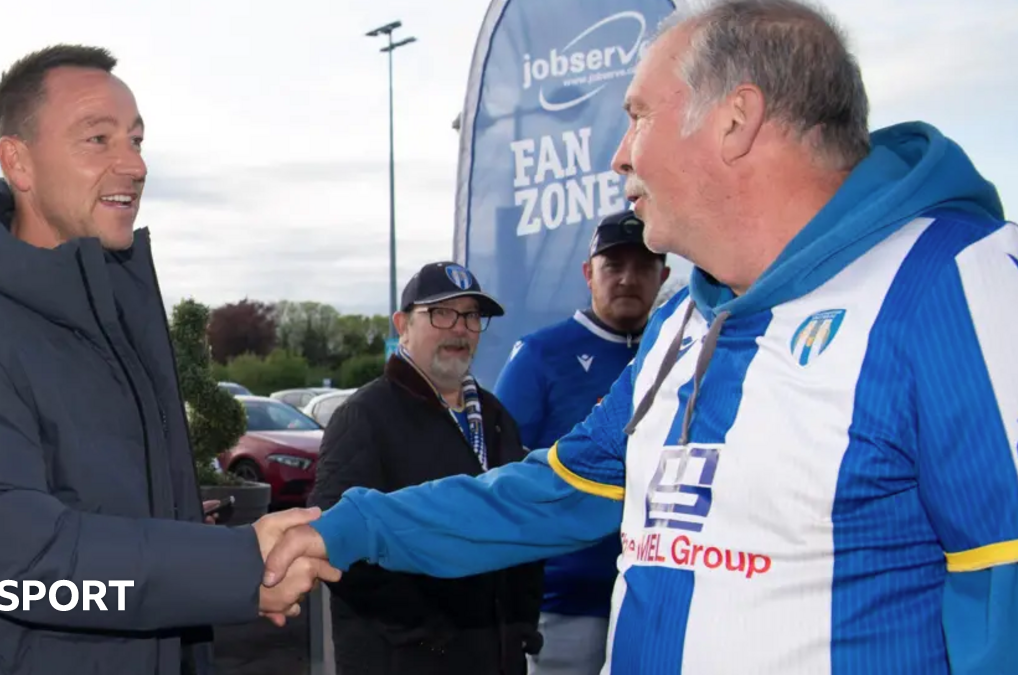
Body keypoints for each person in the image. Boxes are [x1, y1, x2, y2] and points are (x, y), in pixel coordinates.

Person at [263, 1, 1018, 673]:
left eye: (640, 116)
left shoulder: (960, 283)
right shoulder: (681, 321)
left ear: (735, 119)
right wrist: (350, 527)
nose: (620, 154)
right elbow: (557, 492)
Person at [0, 44, 338, 675]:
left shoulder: (111, 320)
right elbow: (18, 558)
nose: (134, 165)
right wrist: (238, 566)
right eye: (98, 139)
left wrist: (203, 553)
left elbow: (99, 508)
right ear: (18, 161)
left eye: (136, 140)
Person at [307, 261, 544, 675]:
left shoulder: (497, 418)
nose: (460, 329)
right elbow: (335, 538)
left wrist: (521, 623)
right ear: (403, 325)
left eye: (471, 316)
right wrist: (426, 633)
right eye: (441, 313)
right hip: (406, 660)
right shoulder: (364, 416)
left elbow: (524, 523)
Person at [493, 210, 669, 675]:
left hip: (660, 596)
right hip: (567, 602)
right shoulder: (541, 354)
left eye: (643, 266)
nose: (627, 278)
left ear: (664, 275)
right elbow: (503, 474)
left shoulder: (679, 350)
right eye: (613, 266)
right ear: (589, 273)